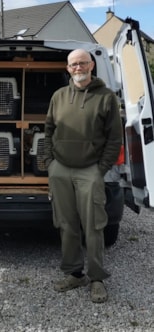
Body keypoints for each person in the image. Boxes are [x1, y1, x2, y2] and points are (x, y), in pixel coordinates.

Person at [44, 48, 122, 303]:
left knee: (94, 226)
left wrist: (100, 170)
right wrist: (50, 163)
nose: (78, 68)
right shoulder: (58, 96)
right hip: (61, 170)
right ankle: (74, 274)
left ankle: (97, 278)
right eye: (73, 64)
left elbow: (114, 138)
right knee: (66, 225)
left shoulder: (107, 97)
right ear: (67, 69)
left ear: (91, 66)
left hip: (90, 170)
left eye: (82, 63)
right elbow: (48, 130)